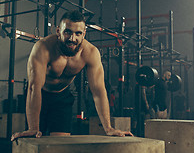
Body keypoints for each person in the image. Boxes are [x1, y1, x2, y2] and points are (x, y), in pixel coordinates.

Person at [11, 10, 133, 141]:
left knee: (59, 146)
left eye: (78, 33)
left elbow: (98, 91)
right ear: (58, 31)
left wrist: (108, 128)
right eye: (67, 32)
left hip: (62, 98)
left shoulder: (90, 53)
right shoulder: (43, 48)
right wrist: (33, 127)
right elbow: (34, 87)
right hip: (40, 95)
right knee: (34, 140)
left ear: (84, 34)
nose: (72, 38)